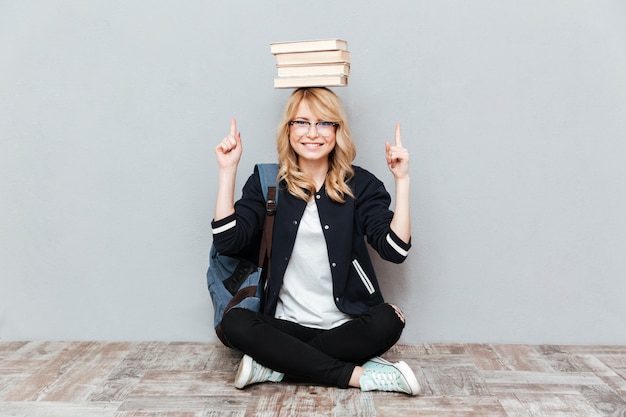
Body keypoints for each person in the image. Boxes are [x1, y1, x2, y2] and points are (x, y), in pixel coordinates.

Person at [212, 87, 420, 395]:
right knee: (235, 323)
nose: (313, 133)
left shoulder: (359, 184)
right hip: (283, 325)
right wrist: (227, 172)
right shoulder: (268, 182)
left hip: (346, 326)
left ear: (338, 130)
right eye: (302, 122)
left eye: (324, 123)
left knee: (389, 319)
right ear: (289, 129)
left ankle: (274, 364)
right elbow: (228, 242)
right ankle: (357, 375)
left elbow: (395, 249)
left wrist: (402, 181)